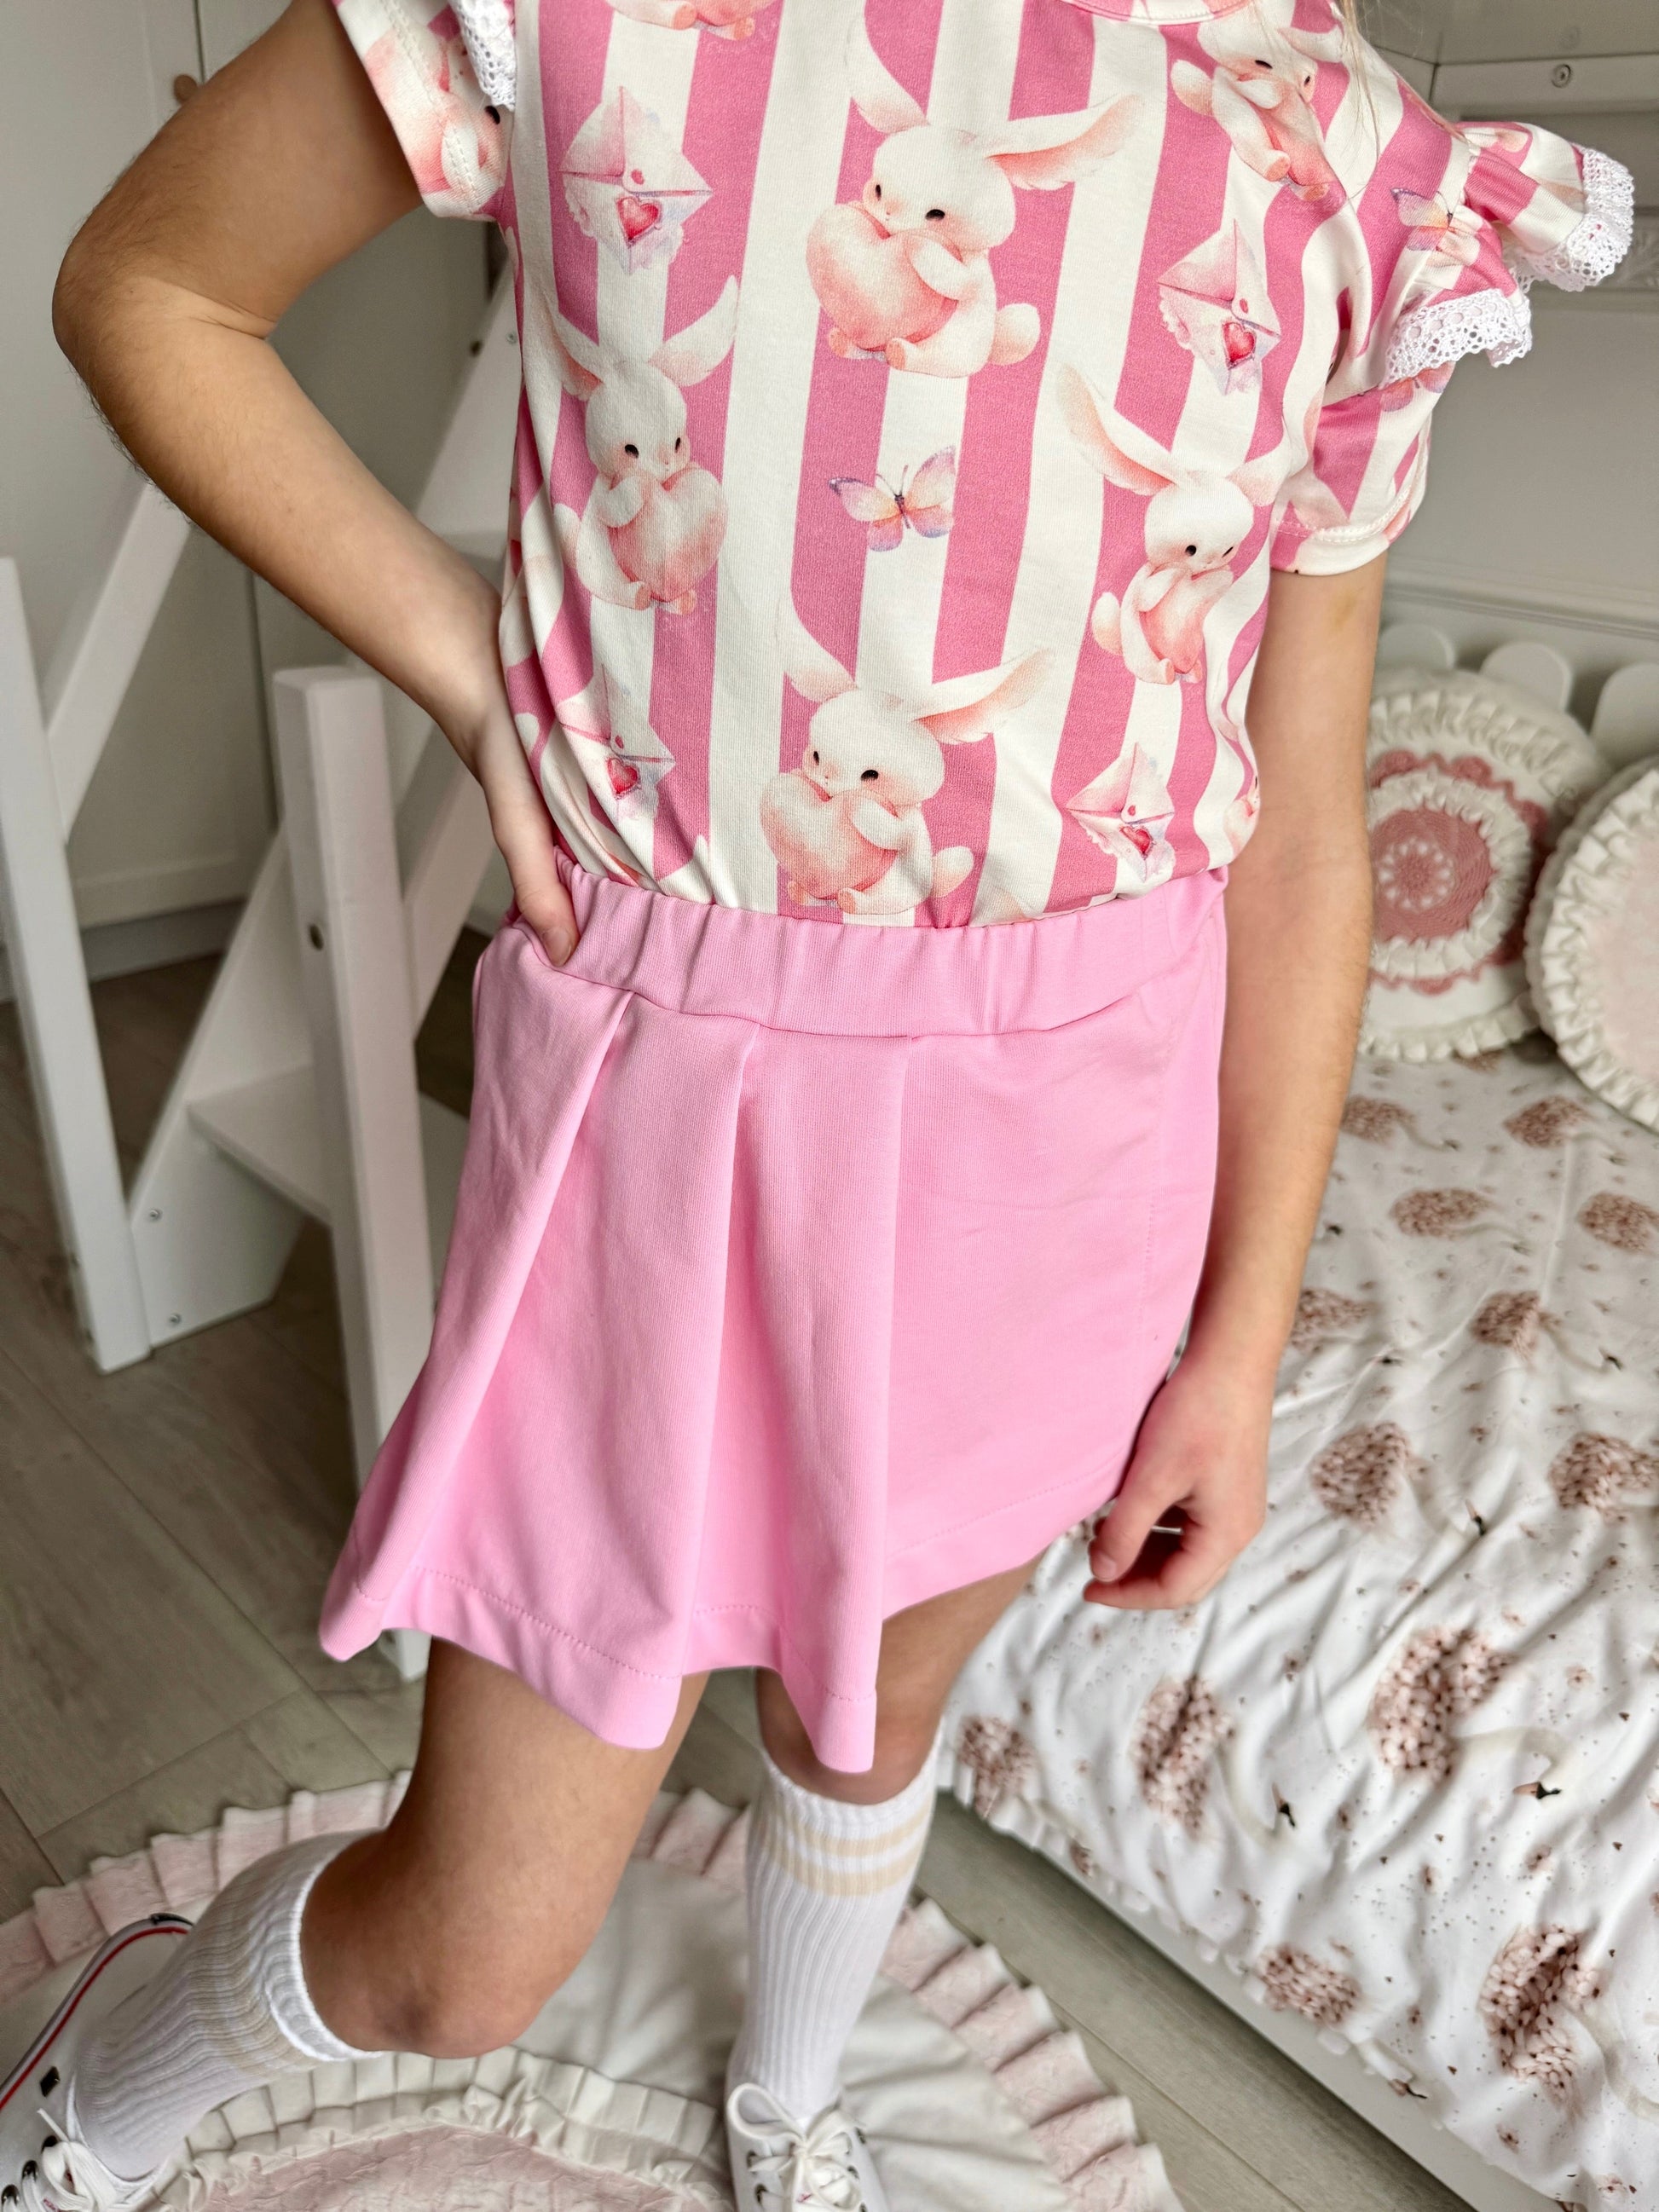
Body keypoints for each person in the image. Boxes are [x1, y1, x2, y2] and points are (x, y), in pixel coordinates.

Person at [15, 1, 1630, 2205]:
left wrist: (1239, 1348)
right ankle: (85, 2106)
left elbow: (1299, 822)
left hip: (1077, 1153)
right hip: (676, 1113)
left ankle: (788, 2096)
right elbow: (153, 285)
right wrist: (475, 671)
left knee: (866, 1720)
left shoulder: (1339, 140)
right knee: (467, 1951)